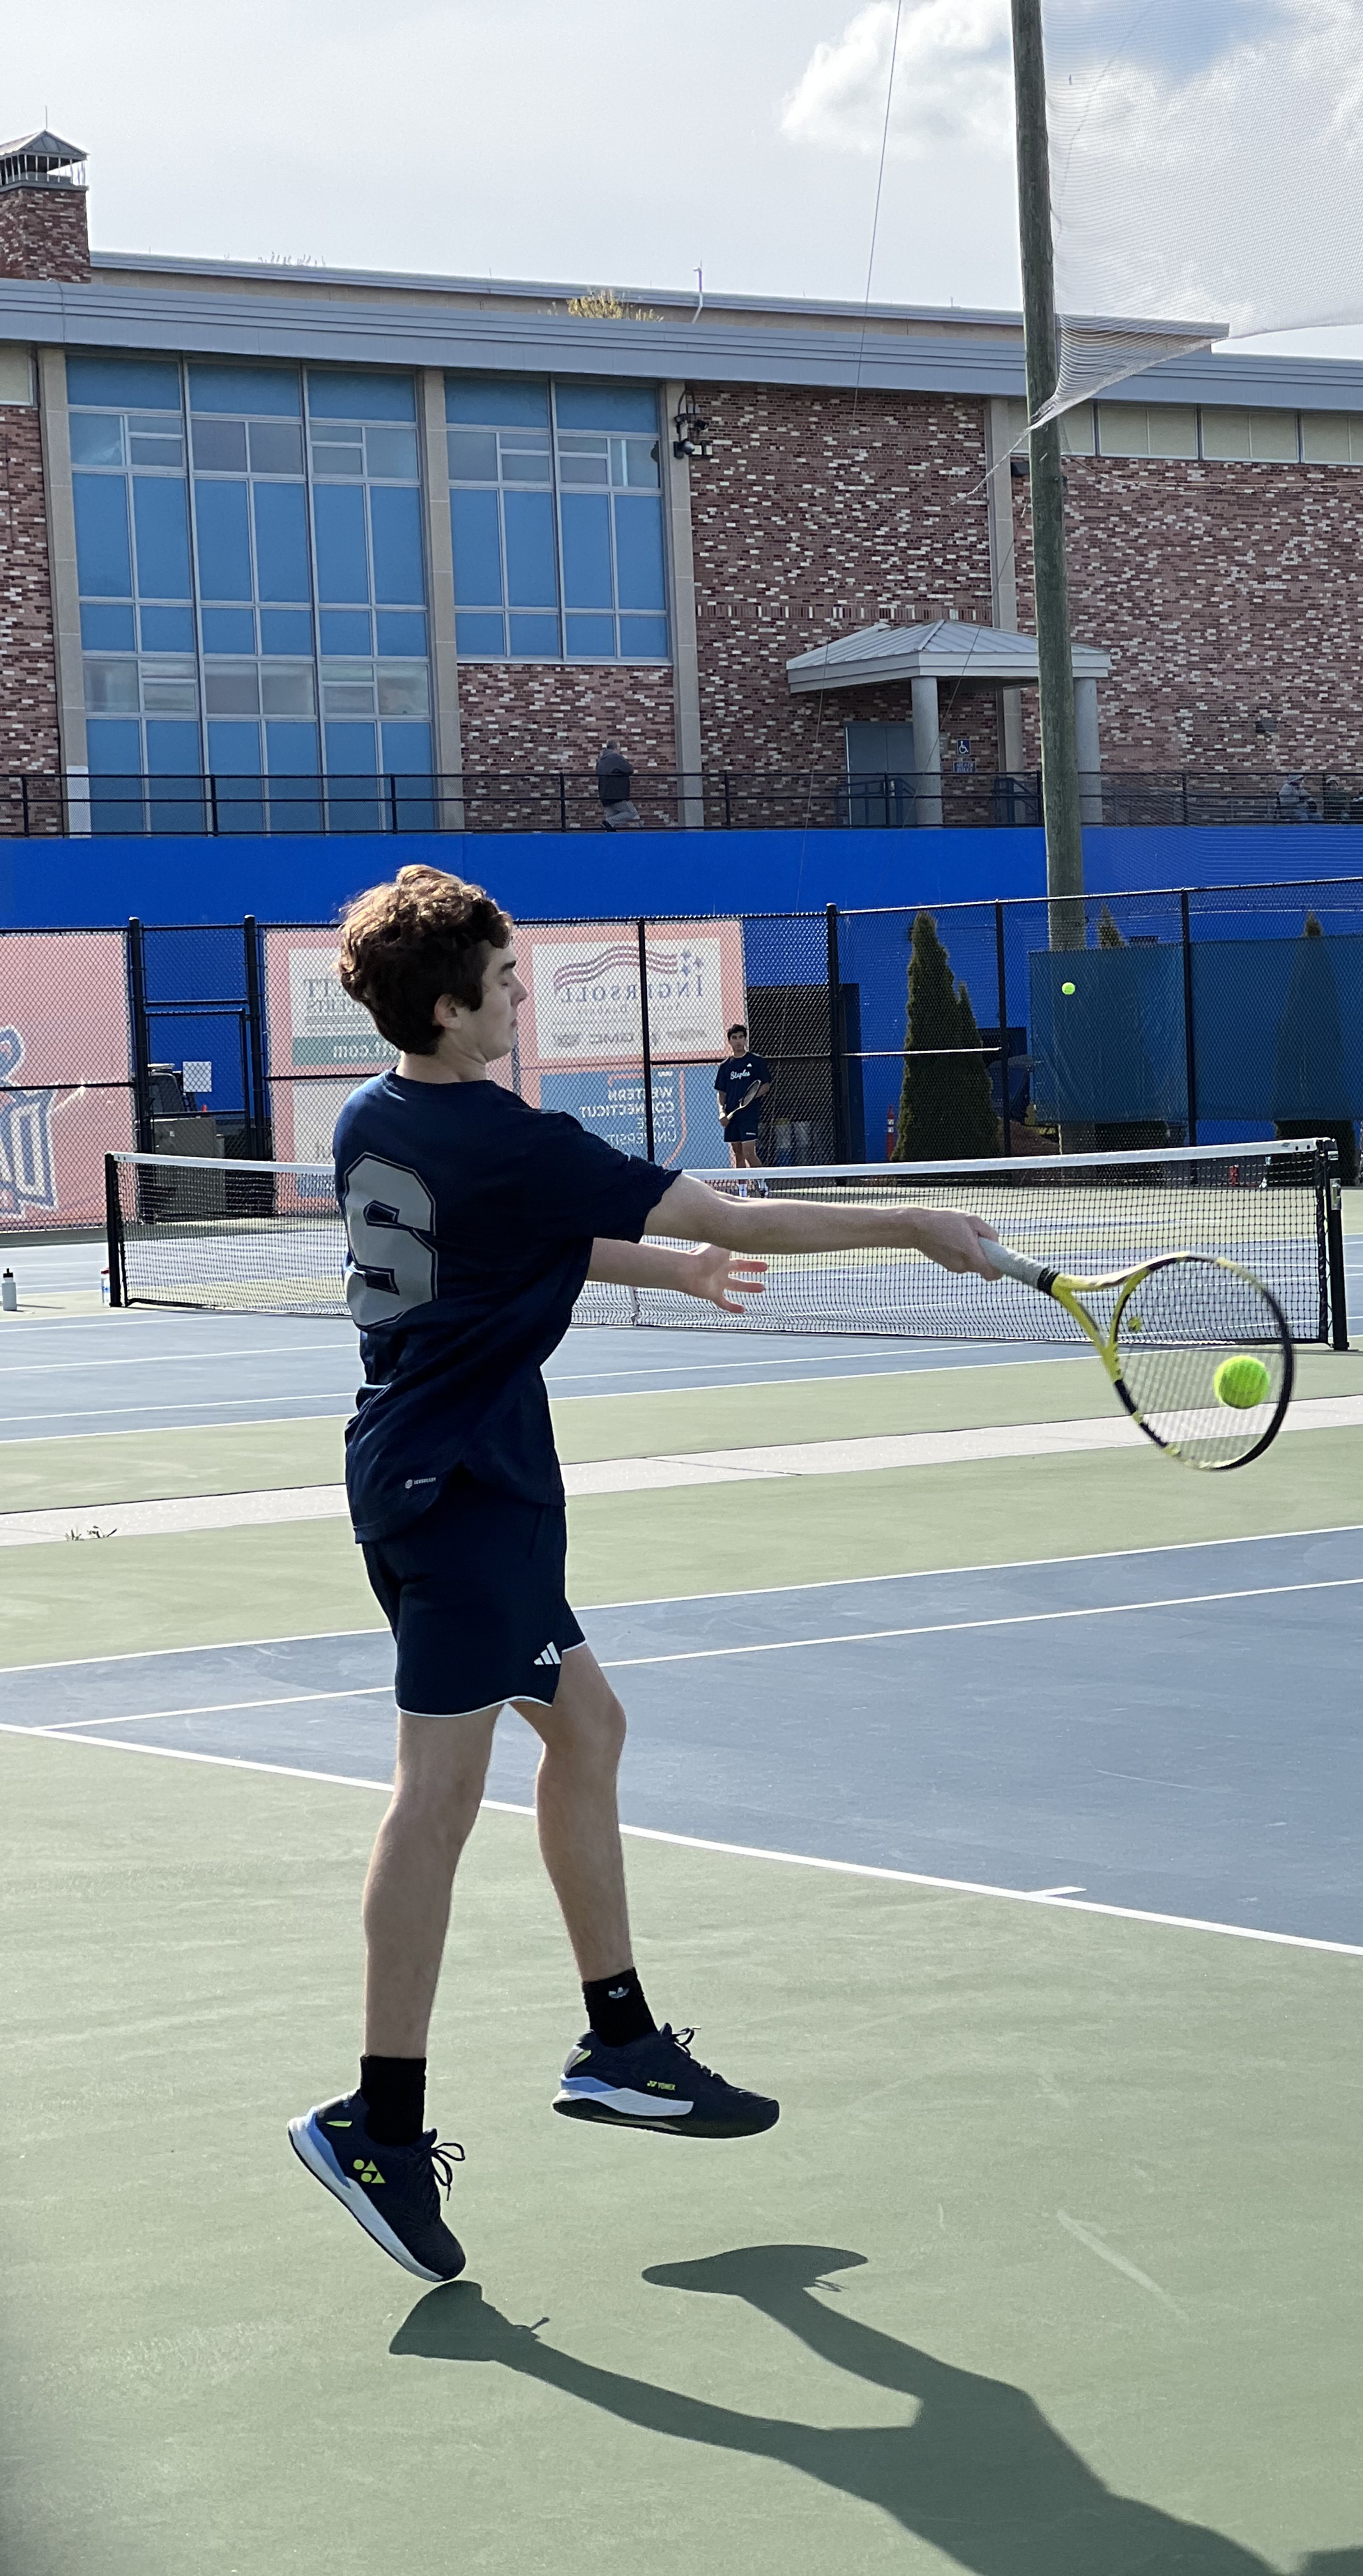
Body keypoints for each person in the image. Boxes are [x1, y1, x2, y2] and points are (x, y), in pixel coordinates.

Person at [289, 866, 998, 2284]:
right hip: (460, 1500)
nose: (522, 993)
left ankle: (616, 2043)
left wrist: (663, 1276)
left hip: (448, 1477)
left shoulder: (379, 1112)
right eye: (505, 978)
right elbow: (737, 1216)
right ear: (450, 1008)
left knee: (589, 1728)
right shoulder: (513, 1139)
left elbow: (521, 1233)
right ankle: (379, 2123)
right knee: (434, 1804)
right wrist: (916, 1224)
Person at [714, 1023, 773, 1172]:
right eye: (734, 1038)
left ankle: (762, 1183)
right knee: (738, 1154)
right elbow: (721, 1093)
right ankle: (742, 1187)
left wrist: (750, 1098)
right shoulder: (725, 1066)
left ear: (745, 1039)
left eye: (741, 1037)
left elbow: (766, 1086)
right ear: (730, 1041)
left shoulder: (756, 1061)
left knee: (749, 1153)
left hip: (749, 1116)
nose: (738, 1041)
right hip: (732, 1116)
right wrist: (722, 1112)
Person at [594, 743, 639, 829]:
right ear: (615, 747)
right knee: (632, 812)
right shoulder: (616, 757)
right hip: (617, 794)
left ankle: (608, 829)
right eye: (619, 748)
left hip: (604, 794)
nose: (620, 750)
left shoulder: (601, 760)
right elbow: (629, 769)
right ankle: (607, 823)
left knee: (612, 820)